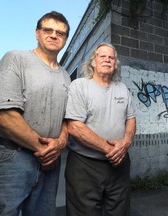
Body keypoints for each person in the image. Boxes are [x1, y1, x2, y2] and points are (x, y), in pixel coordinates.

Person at [0, 11, 71, 216]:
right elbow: (2, 113)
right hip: (11, 157)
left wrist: (61, 143)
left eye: (60, 32)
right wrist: (45, 150)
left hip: (50, 162)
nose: (54, 35)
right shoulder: (16, 58)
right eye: (48, 30)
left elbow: (67, 119)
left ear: (65, 39)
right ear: (37, 33)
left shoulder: (66, 75)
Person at [65, 42, 136, 216]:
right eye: (102, 56)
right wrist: (110, 149)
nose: (107, 60)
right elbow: (74, 126)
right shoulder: (79, 86)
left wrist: (126, 142)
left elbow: (131, 119)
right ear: (93, 62)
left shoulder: (122, 89)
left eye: (111, 57)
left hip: (119, 165)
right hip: (85, 165)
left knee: (119, 212)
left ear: (115, 64)